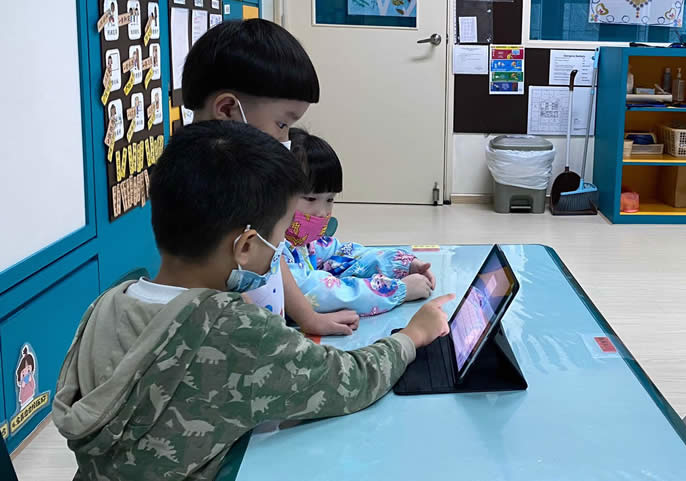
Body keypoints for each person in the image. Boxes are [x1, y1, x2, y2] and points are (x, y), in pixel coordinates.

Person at [52, 121, 452, 481]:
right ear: (245, 246)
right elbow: (351, 382)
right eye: (278, 239)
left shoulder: (106, 304)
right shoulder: (231, 327)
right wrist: (412, 336)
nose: (279, 253)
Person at [181, 19, 355, 336]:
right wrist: (270, 340)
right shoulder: (204, 190)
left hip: (270, 337)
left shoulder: (252, 177)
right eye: (282, 124)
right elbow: (222, 297)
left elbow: (274, 258)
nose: (287, 140)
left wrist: (309, 318)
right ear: (228, 110)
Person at [281, 127, 434, 317]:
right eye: (311, 199)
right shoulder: (273, 251)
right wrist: (397, 290)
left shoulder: (304, 241)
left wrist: (403, 265)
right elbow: (321, 293)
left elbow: (345, 255)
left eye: (330, 199)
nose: (322, 213)